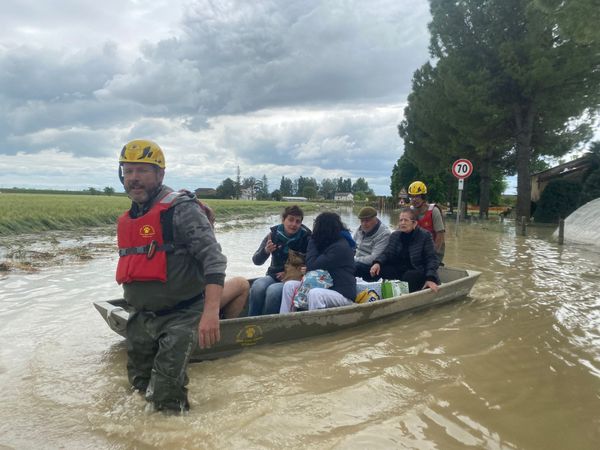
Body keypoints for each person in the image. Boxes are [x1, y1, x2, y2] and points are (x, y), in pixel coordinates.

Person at [116, 139, 229, 413]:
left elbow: (213, 260)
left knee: (166, 396)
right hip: (141, 316)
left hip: (181, 315)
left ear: (160, 174)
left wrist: (211, 312)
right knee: (140, 387)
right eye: (128, 171)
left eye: (142, 171)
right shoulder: (131, 216)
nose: (134, 178)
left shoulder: (181, 210)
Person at [280, 212, 356, 312]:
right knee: (289, 286)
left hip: (342, 294)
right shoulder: (328, 242)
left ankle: (314, 325)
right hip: (324, 286)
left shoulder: (339, 247)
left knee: (315, 294)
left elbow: (312, 265)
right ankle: (285, 320)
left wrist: (313, 240)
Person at [248, 205, 311, 315]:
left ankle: (268, 325)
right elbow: (256, 261)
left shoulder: (307, 238)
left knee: (273, 292)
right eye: (290, 220)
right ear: (283, 220)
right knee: (258, 286)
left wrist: (289, 272)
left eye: (297, 221)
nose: (293, 224)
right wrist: (266, 251)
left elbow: (312, 263)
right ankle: (251, 321)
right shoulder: (272, 235)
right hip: (274, 274)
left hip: (294, 279)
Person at [369, 208, 440, 293]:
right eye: (401, 220)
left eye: (406, 220)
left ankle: (406, 296)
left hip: (418, 270)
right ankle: (388, 292)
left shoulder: (425, 236)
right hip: (400, 270)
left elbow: (431, 259)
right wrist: (378, 263)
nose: (402, 223)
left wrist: (430, 278)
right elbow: (387, 253)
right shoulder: (395, 235)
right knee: (382, 270)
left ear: (414, 223)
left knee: (409, 276)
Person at [408, 181, 445, 262]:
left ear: (423, 197)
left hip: (434, 250)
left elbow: (440, 235)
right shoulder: (409, 212)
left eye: (417, 196)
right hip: (417, 250)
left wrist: (432, 255)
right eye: (412, 197)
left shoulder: (434, 211)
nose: (414, 199)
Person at [353, 206, 391, 281]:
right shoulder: (360, 229)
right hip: (356, 261)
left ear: (375, 219)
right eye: (362, 221)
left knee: (351, 267)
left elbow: (374, 258)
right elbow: (351, 246)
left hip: (372, 267)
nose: (364, 224)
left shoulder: (384, 234)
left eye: (367, 221)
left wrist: (354, 259)